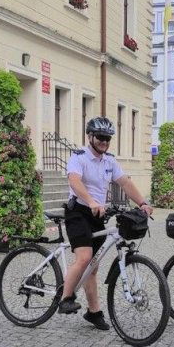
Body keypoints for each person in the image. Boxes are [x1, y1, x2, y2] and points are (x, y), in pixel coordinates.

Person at [57, 117, 154, 330]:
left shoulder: (109, 161)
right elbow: (74, 180)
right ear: (90, 136)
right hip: (78, 213)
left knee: (93, 267)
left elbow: (125, 182)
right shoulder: (79, 157)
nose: (104, 142)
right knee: (84, 258)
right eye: (100, 137)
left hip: (97, 214)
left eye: (108, 138)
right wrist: (91, 200)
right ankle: (65, 299)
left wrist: (142, 202)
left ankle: (94, 312)